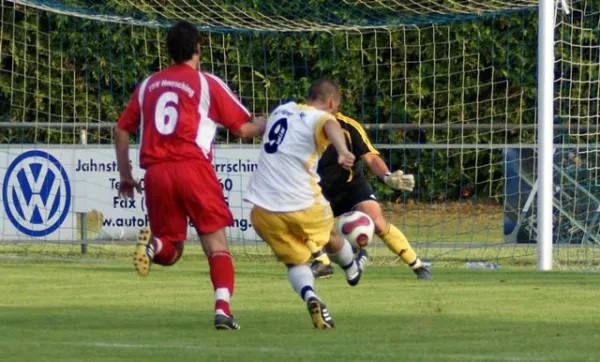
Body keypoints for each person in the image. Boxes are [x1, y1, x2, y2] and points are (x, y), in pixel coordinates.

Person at [114, 20, 266, 330]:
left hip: (156, 173)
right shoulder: (205, 83)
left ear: (169, 51)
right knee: (217, 245)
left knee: (170, 252)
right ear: (198, 49)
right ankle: (222, 309)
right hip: (193, 169)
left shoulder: (148, 86)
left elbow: (121, 128)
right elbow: (242, 129)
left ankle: (151, 247)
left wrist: (126, 175)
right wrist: (269, 121)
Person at [244, 79, 368, 329]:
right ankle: (352, 268)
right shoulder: (318, 117)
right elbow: (330, 124)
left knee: (295, 263)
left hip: (262, 209)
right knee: (330, 235)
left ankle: (312, 296)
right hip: (301, 202)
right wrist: (343, 150)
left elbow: (264, 127)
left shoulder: (282, 110)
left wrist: (258, 125)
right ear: (332, 102)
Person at [310, 112, 433, 280]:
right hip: (318, 191)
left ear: (333, 105)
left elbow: (371, 158)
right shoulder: (304, 127)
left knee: (377, 222)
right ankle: (324, 263)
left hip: (351, 186)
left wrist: (387, 177)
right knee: (315, 230)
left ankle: (418, 266)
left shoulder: (349, 126)